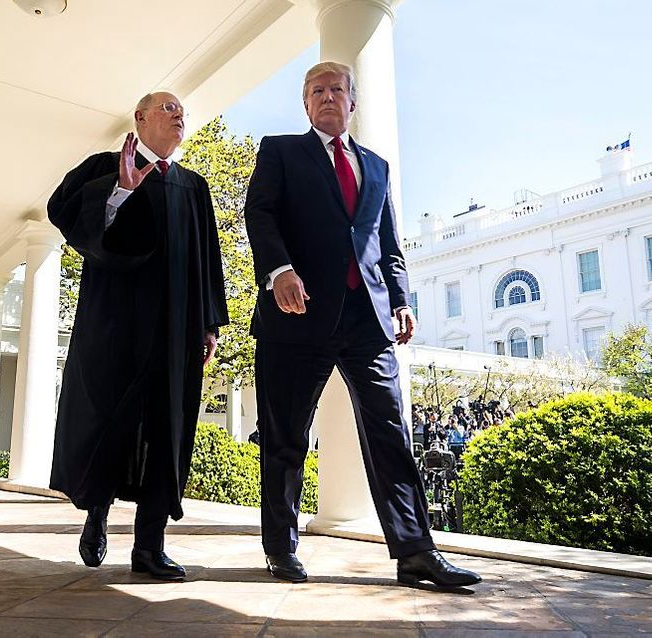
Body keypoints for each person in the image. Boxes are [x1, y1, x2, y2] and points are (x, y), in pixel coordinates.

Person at [244, 61, 481, 589]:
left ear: (353, 103)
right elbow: (259, 214)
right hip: (295, 314)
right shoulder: (280, 151)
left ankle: (416, 550)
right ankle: (280, 548)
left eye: (337, 90)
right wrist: (279, 271)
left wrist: (400, 298)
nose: (327, 97)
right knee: (285, 438)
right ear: (305, 104)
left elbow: (387, 245)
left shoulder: (376, 166)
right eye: (316, 91)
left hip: (367, 319)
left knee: (391, 433)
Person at [47, 91, 228, 580]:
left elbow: (208, 259)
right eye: (167, 109)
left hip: (175, 332)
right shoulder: (104, 167)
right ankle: (97, 516)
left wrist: (209, 322)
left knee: (168, 433)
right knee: (112, 421)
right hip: (116, 327)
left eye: (182, 113)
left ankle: (149, 547)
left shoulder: (194, 186)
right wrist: (120, 193)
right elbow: (64, 215)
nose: (178, 117)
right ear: (140, 118)